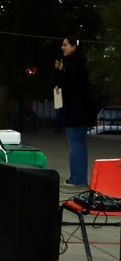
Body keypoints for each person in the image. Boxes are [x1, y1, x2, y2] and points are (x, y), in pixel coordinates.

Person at [55, 37, 97, 186]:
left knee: (75, 144)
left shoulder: (74, 64)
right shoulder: (79, 63)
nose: (62, 47)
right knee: (79, 143)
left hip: (76, 111)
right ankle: (80, 177)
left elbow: (68, 86)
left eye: (65, 45)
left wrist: (61, 72)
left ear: (74, 47)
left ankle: (77, 178)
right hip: (82, 111)